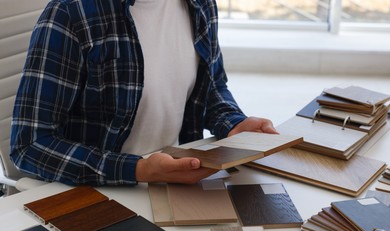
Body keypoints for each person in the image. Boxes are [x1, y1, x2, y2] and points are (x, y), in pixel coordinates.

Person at [10, 0, 278, 186]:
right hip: (98, 188)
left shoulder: (201, 5)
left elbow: (212, 88)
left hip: (176, 177)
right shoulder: (71, 12)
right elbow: (29, 145)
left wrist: (234, 124)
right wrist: (138, 170)